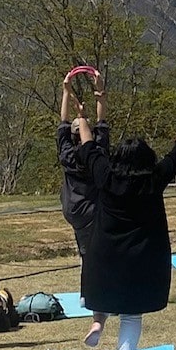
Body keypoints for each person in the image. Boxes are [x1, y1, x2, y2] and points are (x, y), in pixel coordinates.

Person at [77, 87, 176, 350]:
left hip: (106, 251)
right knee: (131, 314)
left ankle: (98, 321)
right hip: (141, 255)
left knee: (104, 293)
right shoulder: (154, 178)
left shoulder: (106, 175)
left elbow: (88, 148)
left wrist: (83, 118)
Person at [58, 69, 109, 261]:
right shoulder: (97, 154)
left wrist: (66, 91)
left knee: (85, 249)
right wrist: (100, 91)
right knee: (95, 253)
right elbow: (102, 122)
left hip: (72, 209)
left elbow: (63, 122)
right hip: (93, 210)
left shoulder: (67, 154)